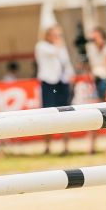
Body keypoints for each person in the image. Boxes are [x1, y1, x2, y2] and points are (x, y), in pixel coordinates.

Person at [35, 25, 75, 154]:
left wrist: (71, 75)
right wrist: (59, 43)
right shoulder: (41, 46)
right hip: (49, 83)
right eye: (55, 34)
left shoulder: (60, 47)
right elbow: (54, 52)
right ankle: (47, 146)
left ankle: (66, 147)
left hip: (62, 83)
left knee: (65, 113)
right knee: (47, 114)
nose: (58, 37)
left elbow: (66, 62)